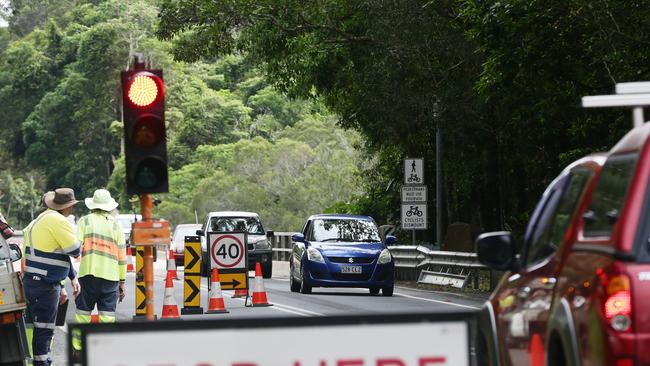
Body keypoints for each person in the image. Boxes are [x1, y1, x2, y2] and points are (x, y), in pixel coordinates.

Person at [22, 188, 81, 366]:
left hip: (33, 282)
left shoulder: (41, 218)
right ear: (67, 207)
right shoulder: (58, 221)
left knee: (37, 329)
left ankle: (40, 361)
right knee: (45, 330)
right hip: (45, 286)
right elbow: (75, 250)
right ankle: (42, 363)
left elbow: (54, 254)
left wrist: (71, 276)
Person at [72, 189, 126, 353]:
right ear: (109, 206)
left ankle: (77, 348)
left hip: (88, 274)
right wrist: (122, 282)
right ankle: (105, 348)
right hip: (111, 276)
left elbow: (75, 248)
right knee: (107, 315)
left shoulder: (85, 221)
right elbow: (122, 256)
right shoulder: (116, 225)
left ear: (93, 205)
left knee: (83, 312)